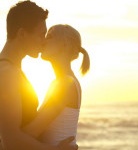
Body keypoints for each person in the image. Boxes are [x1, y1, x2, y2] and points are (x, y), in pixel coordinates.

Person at [0, 1, 77, 150]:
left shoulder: (11, 69)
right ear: (22, 34)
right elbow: (11, 142)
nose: (43, 42)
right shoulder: (7, 73)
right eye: (41, 35)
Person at [23, 24, 90, 146]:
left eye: (49, 36)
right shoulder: (61, 82)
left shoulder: (65, 84)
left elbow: (32, 132)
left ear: (64, 45)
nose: (43, 41)